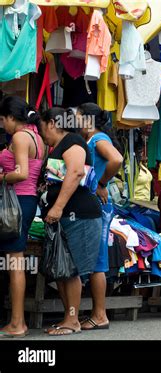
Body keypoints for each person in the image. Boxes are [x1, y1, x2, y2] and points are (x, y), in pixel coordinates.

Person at [39, 108, 102, 336]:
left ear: (52, 123)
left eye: (42, 126)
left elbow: (75, 172)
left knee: (72, 268)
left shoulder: (73, 141)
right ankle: (69, 317)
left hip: (79, 214)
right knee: (63, 268)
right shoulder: (60, 146)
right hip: (67, 215)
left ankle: (72, 320)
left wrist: (57, 207)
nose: (41, 132)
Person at [0, 97, 45, 338]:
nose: (2, 125)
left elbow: (22, 173)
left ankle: (17, 323)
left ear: (11, 117)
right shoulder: (36, 136)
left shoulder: (19, 137)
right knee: (14, 262)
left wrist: (0, 178)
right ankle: (18, 322)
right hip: (26, 203)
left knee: (15, 263)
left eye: (2, 120)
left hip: (15, 203)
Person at [77, 103, 123, 331]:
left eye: (77, 117)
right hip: (96, 204)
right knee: (97, 260)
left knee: (98, 261)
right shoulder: (93, 139)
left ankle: (100, 315)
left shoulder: (97, 139)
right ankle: (97, 313)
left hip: (99, 204)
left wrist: (101, 183)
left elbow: (116, 159)